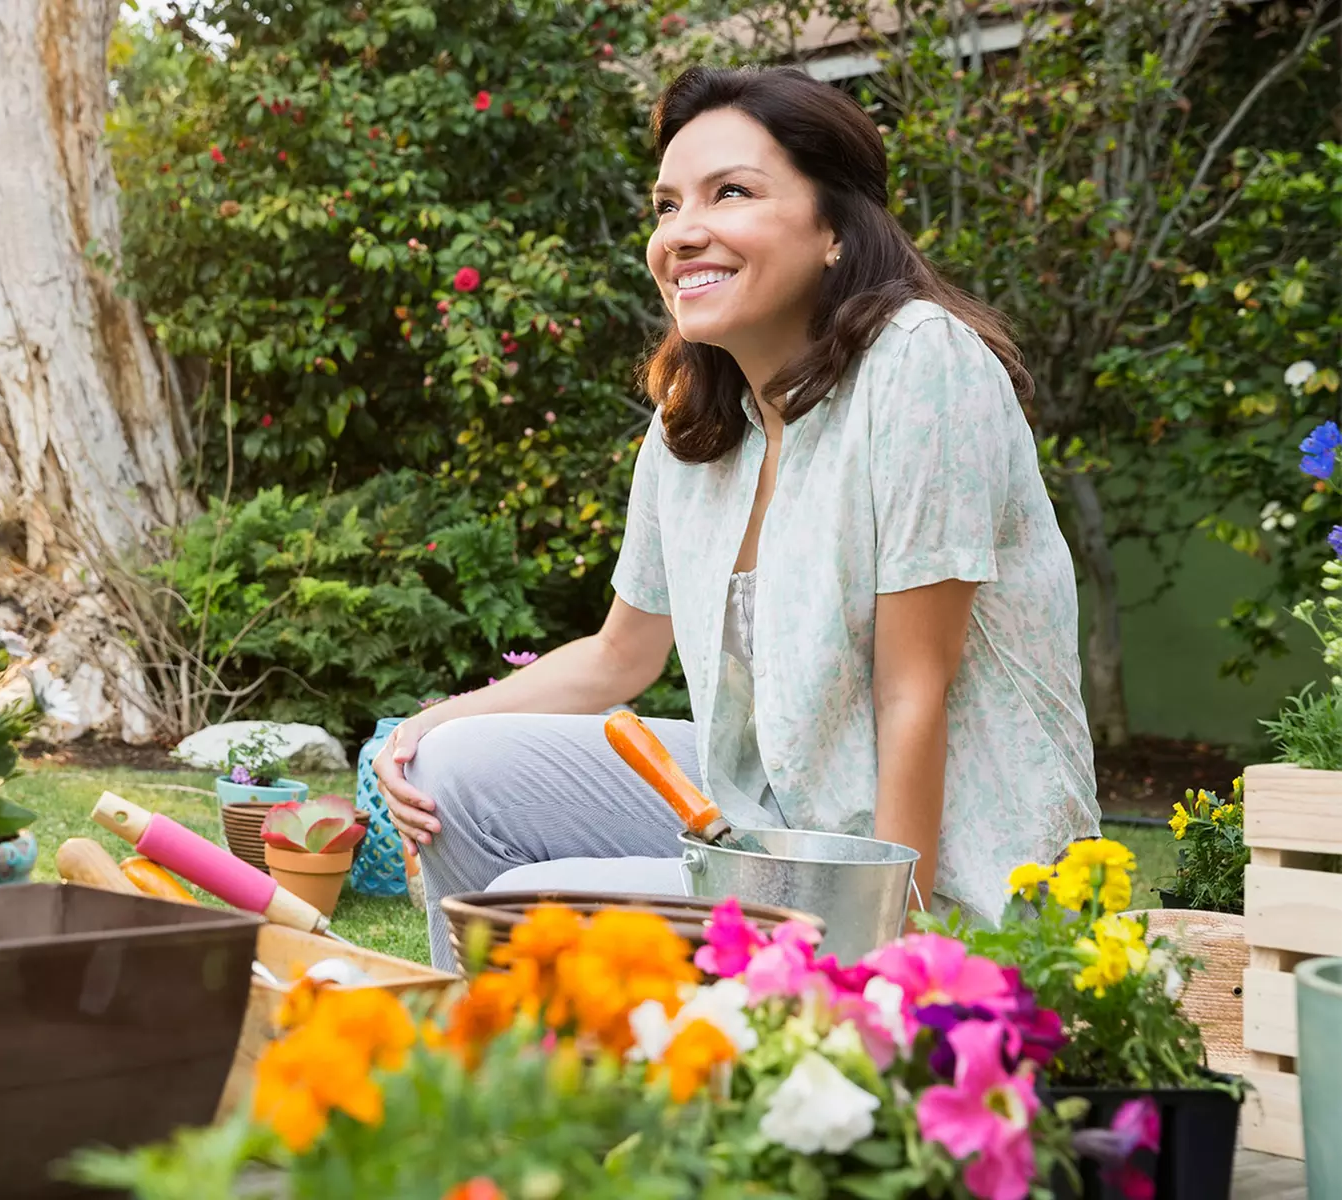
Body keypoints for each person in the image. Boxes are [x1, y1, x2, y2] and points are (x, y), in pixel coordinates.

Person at [374, 65, 1100, 972]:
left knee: (534, 901)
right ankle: (487, 1039)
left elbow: (912, 690)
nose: (682, 232)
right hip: (768, 820)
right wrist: (426, 725)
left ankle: (644, 1039)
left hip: (942, 868)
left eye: (731, 193)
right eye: (665, 204)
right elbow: (619, 657)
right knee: (450, 770)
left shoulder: (922, 362)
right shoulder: (691, 422)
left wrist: (890, 956)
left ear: (835, 229)